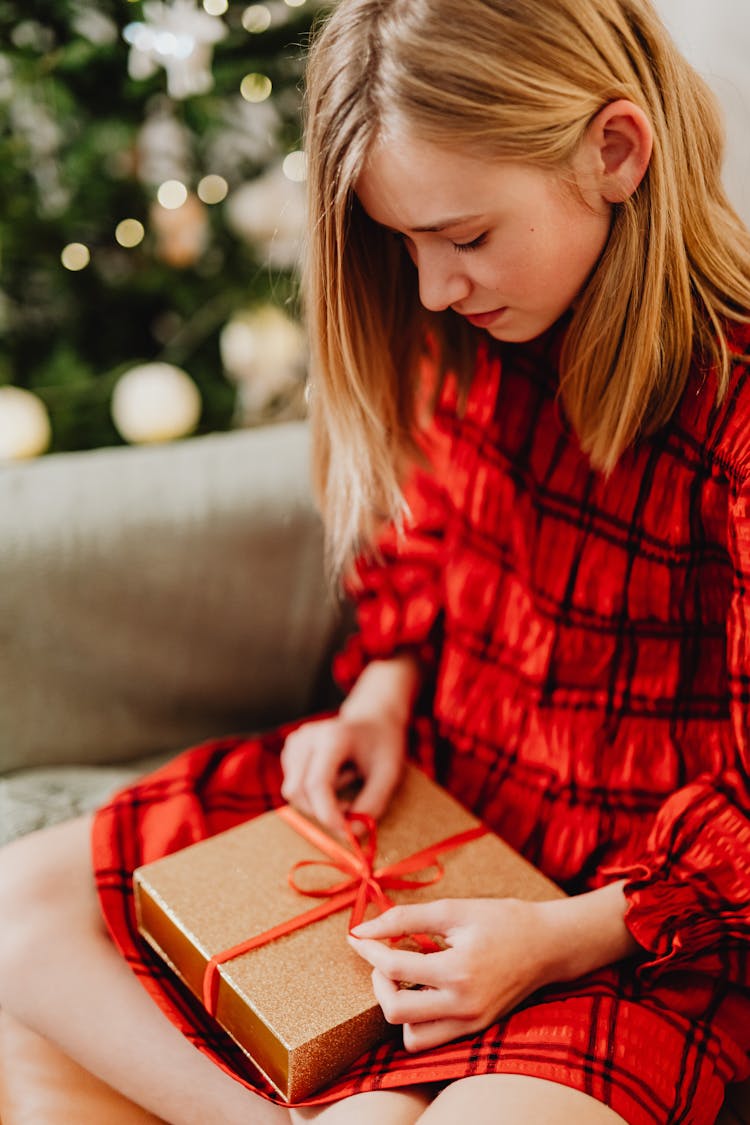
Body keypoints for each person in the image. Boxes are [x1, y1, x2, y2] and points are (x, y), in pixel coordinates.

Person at [1, 0, 750, 1122]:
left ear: (615, 152)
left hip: (642, 907)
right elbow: (430, 535)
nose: (436, 285)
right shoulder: (471, 329)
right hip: (444, 796)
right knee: (23, 911)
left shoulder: (731, 412)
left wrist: (557, 937)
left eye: (464, 236)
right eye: (404, 244)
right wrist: (381, 690)